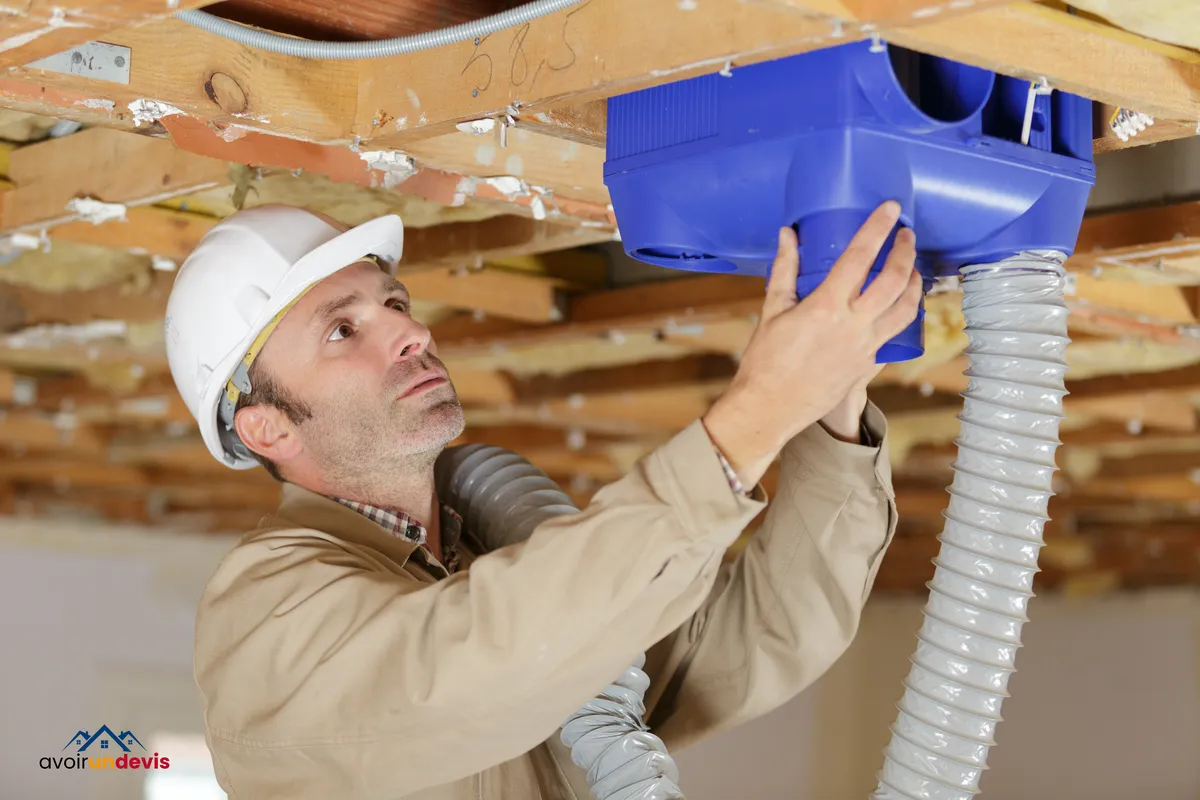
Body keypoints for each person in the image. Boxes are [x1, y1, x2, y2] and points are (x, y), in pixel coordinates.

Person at [165, 200, 920, 799]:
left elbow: (753, 641)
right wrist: (757, 413)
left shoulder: (497, 560)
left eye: (393, 301)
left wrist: (827, 409)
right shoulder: (265, 614)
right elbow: (467, 661)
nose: (409, 330)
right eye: (341, 329)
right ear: (264, 425)